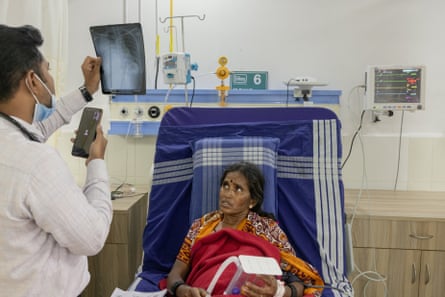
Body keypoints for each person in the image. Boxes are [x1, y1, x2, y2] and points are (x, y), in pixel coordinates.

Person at [0, 24, 112, 296]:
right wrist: (96, 162)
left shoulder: (13, 140)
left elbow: (41, 125)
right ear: (32, 80)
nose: (50, 78)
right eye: (47, 69)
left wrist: (87, 91)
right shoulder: (35, 161)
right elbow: (92, 237)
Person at [166, 162, 324, 297]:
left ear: (252, 201)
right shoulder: (201, 226)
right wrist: (183, 290)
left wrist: (278, 292)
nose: (227, 194)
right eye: (225, 186)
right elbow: (175, 274)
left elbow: (298, 280)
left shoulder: (267, 230)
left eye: (238, 189)